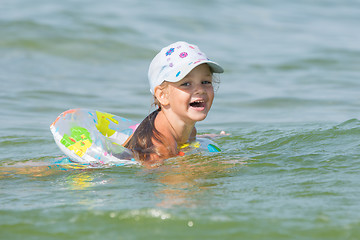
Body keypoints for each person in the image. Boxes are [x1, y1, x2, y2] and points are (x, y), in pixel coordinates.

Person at [124, 41, 224, 165]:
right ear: (162, 95)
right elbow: (162, 179)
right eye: (186, 84)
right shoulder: (159, 149)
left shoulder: (189, 129)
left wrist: (207, 138)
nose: (200, 90)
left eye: (205, 82)